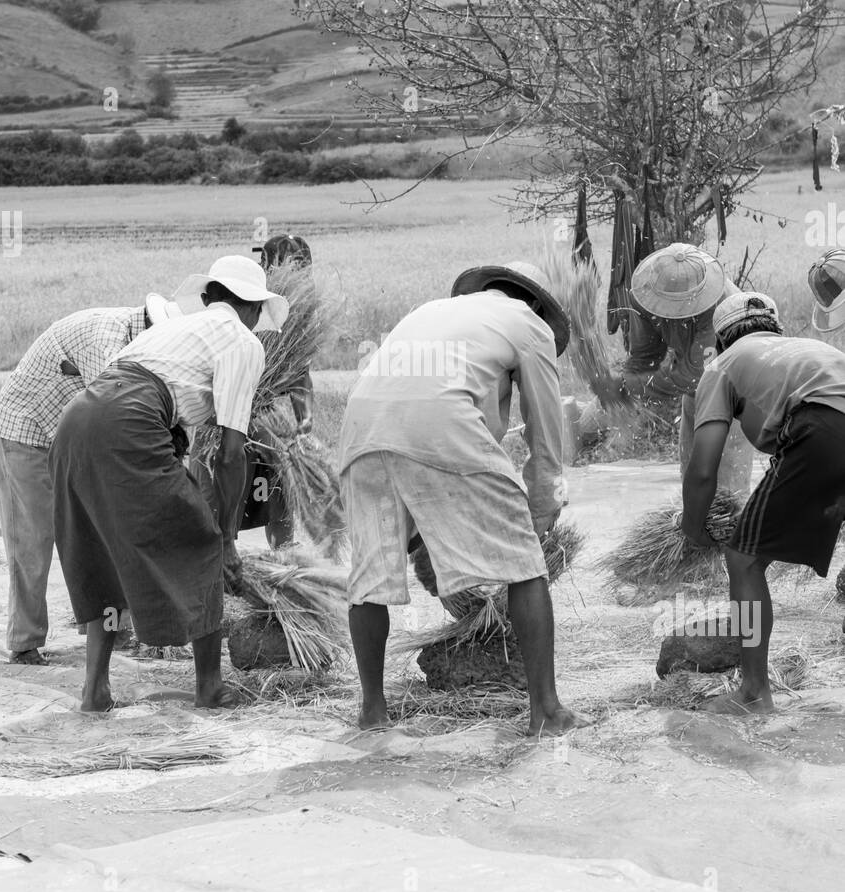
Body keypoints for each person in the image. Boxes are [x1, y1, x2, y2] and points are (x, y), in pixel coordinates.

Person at [337, 259, 587, 738]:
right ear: (533, 302)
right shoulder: (527, 323)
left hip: (360, 429)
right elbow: (546, 430)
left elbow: (416, 409)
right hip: (437, 422)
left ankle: (372, 712)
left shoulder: (431, 313)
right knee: (525, 565)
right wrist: (542, 508)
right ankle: (548, 710)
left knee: (369, 577)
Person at [49, 256, 288, 713]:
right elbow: (231, 453)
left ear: (208, 298)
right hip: (131, 422)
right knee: (199, 542)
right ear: (254, 309)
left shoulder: (173, 332)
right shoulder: (241, 341)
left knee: (101, 551)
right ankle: (211, 688)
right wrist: (228, 537)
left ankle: (95, 690)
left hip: (77, 422)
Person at [0, 294, 178, 664]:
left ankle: (108, 627)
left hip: (66, 438)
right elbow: (110, 413)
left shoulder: (137, 344)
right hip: (24, 433)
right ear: (151, 330)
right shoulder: (105, 340)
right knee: (33, 538)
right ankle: (24, 641)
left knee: (96, 532)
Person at [682, 291, 845, 716]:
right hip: (830, 426)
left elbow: (703, 466)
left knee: (744, 560)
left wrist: (693, 528)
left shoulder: (721, 365)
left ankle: (753, 691)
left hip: (824, 430)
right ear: (774, 327)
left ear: (721, 339)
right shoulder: (805, 350)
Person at [579, 243, 754, 494]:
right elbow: (646, 357)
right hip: (696, 391)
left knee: (728, 491)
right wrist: (615, 391)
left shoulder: (722, 305)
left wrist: (626, 387)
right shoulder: (645, 297)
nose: (674, 314)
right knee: (692, 480)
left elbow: (695, 377)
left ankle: (732, 524)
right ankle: (694, 529)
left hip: (735, 392)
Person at [239, 231, 315, 547]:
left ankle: (285, 554)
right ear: (268, 267)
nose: (298, 274)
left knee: (281, 482)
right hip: (233, 410)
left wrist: (304, 420)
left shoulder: (301, 311)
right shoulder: (245, 302)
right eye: (290, 266)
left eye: (303, 267)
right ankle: (221, 562)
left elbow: (301, 374)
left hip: (271, 413)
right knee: (230, 490)